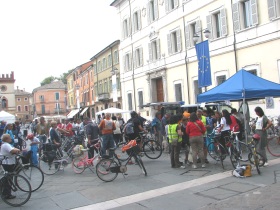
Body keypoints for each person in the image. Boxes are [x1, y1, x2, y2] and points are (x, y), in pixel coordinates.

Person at [0, 134, 21, 199]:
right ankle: (6, 194)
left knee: (8, 178)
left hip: (9, 162)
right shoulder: (6, 145)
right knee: (8, 179)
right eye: (9, 138)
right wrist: (17, 150)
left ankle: (6, 192)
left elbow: (13, 148)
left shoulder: (6, 144)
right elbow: (12, 150)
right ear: (6, 139)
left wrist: (16, 149)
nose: (11, 139)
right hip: (7, 163)